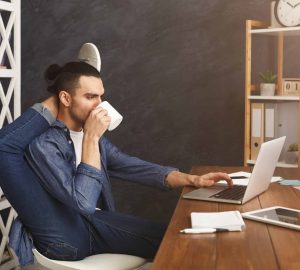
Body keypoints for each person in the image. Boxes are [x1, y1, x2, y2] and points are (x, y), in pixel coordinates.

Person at [0, 61, 232, 266]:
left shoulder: (92, 135)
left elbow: (128, 164)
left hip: (95, 223)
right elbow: (83, 202)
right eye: (90, 97)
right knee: (172, 243)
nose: (99, 105)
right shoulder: (45, 144)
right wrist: (91, 137)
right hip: (69, 240)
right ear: (65, 98)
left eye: (101, 96)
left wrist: (190, 179)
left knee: (177, 237)